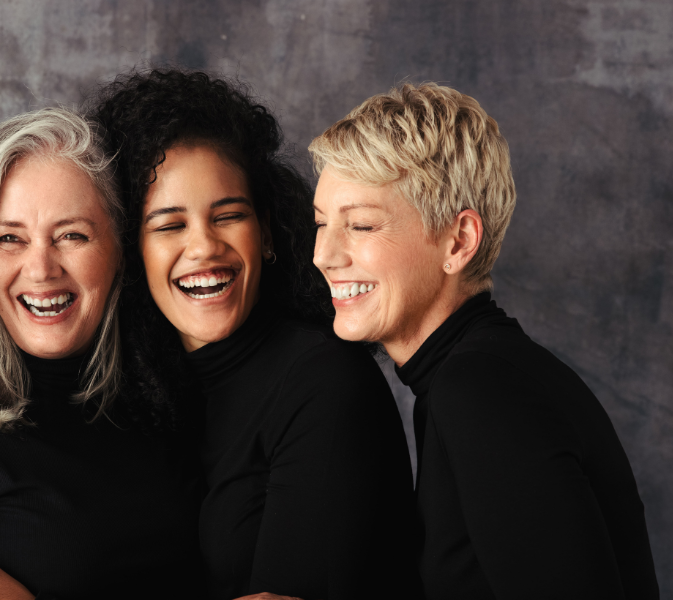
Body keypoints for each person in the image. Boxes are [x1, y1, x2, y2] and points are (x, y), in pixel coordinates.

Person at [310, 82, 659, 599]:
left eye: (360, 225)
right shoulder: (479, 376)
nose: (324, 255)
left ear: (459, 241)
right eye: (320, 223)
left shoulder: (481, 389)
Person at [89, 69, 420, 600]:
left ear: (266, 232)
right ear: (131, 252)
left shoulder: (323, 381)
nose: (203, 247)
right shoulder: (139, 389)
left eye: (229, 216)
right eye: (169, 225)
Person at [0, 107, 203, 600]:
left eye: (72, 235)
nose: (41, 269)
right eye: (10, 238)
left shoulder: (168, 399)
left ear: (118, 250)